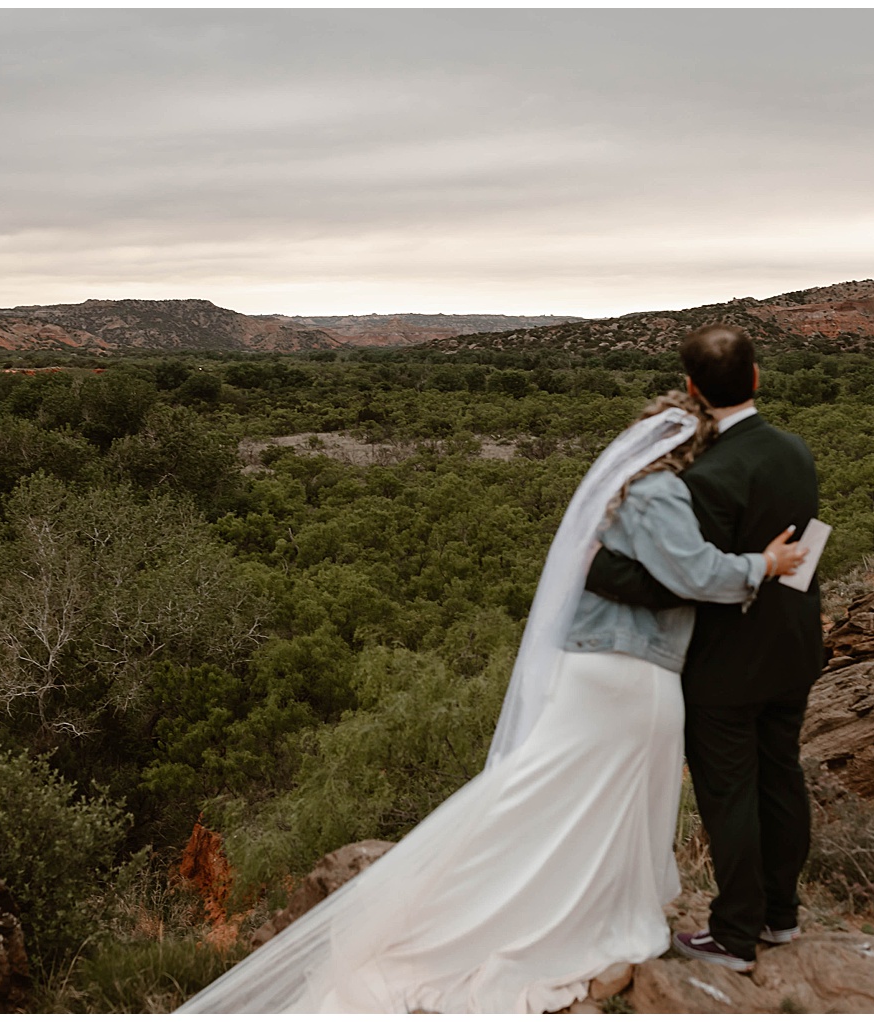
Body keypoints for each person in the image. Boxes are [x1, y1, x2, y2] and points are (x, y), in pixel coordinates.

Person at [177, 384, 808, 1013]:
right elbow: (689, 574)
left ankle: (638, 915)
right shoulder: (696, 486)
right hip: (652, 670)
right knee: (580, 792)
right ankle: (712, 920)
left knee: (572, 794)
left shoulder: (642, 494)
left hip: (656, 671)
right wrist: (759, 568)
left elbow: (662, 570)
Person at [584, 323, 825, 972]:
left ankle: (734, 933)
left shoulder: (699, 476)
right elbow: (806, 546)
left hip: (725, 661)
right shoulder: (794, 451)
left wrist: (596, 568)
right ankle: (780, 916)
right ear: (755, 378)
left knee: (729, 795)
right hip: (795, 644)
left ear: (691, 387)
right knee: (781, 775)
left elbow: (679, 581)